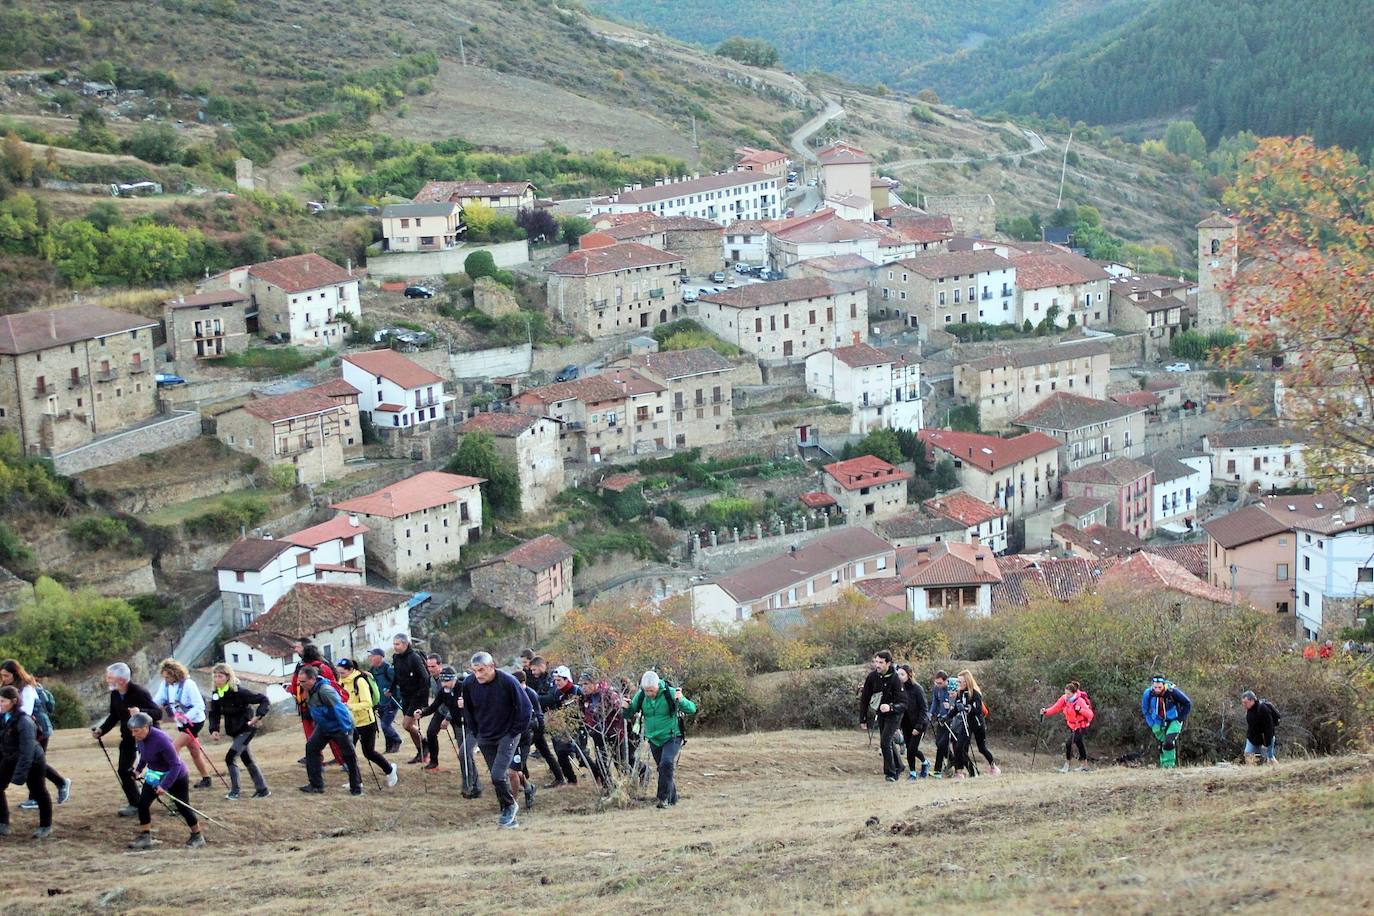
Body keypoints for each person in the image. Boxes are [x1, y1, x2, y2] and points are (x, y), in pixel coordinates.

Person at [460, 652, 532, 829]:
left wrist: (515, 731)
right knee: (496, 778)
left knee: (498, 775)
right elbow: (468, 710)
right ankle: (509, 815)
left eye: (482, 670)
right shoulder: (469, 683)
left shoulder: (508, 681)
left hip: (508, 734)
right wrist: (476, 732)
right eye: (475, 671)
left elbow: (526, 708)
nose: (478, 675)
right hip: (485, 735)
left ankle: (510, 806)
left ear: (492, 666)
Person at [93, 662, 162, 816]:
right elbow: (114, 715)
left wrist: (140, 711)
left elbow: (157, 713)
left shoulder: (139, 692)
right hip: (128, 736)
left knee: (160, 769)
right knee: (124, 770)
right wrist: (101, 730)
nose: (107, 680)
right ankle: (136, 803)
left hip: (148, 736)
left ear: (122, 680)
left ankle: (176, 800)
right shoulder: (115, 694)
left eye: (110, 678)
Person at [127, 711, 203, 849]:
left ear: (146, 727)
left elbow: (175, 765)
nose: (133, 734)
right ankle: (145, 837)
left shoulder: (161, 740)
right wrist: (137, 770)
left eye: (136, 731)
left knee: (182, 806)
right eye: (132, 731)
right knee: (143, 804)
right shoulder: (140, 739)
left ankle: (197, 836)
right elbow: (144, 756)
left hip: (175, 775)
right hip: (155, 775)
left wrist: (165, 786)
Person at [1, 659, 70, 807]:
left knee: (36, 762)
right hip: (19, 731)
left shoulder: (27, 688)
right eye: (2, 675)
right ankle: (40, 795)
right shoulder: (8, 687)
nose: (4, 679)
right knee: (33, 762)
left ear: (15, 674)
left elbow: (25, 711)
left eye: (6, 675)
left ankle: (59, 784)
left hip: (38, 730)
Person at [625, 671, 696, 808]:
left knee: (666, 763)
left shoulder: (670, 693)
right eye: (646, 691)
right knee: (663, 769)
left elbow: (692, 709)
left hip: (672, 736)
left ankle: (662, 798)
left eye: (651, 690)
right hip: (654, 739)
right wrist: (625, 707)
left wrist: (681, 700)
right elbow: (629, 713)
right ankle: (672, 800)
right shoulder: (641, 696)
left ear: (657, 685)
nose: (649, 694)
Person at [206, 662, 271, 800]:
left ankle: (235, 791)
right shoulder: (217, 694)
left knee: (230, 757)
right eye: (215, 676)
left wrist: (258, 716)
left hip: (247, 729)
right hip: (234, 730)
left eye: (220, 676)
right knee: (247, 759)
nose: (217, 679)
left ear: (228, 677)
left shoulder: (240, 692)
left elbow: (263, 700)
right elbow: (214, 713)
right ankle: (263, 790)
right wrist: (214, 729)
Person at [297, 665, 362, 796]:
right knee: (311, 748)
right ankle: (316, 785)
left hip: (339, 726)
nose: (300, 683)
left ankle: (356, 788)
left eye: (303, 681)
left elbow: (341, 710)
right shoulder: (309, 689)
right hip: (324, 726)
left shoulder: (326, 690)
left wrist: (345, 729)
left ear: (312, 679)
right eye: (299, 681)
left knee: (348, 756)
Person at [153, 659, 214, 789]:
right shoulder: (165, 685)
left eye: (168, 676)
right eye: (164, 677)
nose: (166, 679)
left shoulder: (189, 684)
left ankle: (174, 780)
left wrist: (186, 717)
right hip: (181, 723)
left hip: (195, 722)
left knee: (172, 749)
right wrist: (146, 706)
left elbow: (200, 705)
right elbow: (158, 699)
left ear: (175, 673)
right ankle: (206, 779)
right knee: (194, 751)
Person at [0, 685, 51, 839]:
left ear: (14, 701)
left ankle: (45, 826)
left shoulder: (24, 721)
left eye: (3, 701)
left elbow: (27, 751)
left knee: (38, 790)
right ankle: (3, 823)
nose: (0, 704)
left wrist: (19, 776)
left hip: (33, 761)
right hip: (11, 758)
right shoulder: (3, 717)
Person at [338, 659, 398, 789]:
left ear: (350, 670)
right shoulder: (342, 681)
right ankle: (356, 781)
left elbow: (368, 703)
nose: (340, 675)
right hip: (350, 723)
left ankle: (390, 770)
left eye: (342, 672)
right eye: (339, 672)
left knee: (368, 752)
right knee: (349, 753)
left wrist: (349, 707)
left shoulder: (360, 681)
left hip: (366, 722)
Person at [288, 644, 345, 767]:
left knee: (312, 739)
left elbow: (293, 688)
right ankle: (344, 762)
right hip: (325, 707)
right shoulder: (324, 667)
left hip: (306, 709)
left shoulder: (300, 670)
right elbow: (334, 685)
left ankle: (317, 765)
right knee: (333, 738)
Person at [858, 650, 905, 782]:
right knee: (888, 741)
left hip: (895, 714)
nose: (877, 665)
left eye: (880, 662)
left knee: (884, 742)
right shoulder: (872, 677)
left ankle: (890, 773)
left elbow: (903, 703)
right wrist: (863, 718)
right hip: (881, 714)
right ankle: (899, 766)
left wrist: (891, 707)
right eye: (875, 662)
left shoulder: (896, 679)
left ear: (888, 663)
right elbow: (865, 698)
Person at [414, 665, 464, 778]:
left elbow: (459, 707)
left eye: (447, 681)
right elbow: (434, 705)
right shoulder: (443, 690)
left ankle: (466, 769)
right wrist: (422, 712)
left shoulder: (462, 688)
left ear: (454, 679)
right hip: (445, 713)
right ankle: (433, 761)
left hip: (461, 720)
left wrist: (447, 719)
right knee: (431, 732)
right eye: (442, 681)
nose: (444, 684)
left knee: (463, 748)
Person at [578, 673, 625, 786]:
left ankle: (640, 774)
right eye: (581, 684)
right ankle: (608, 787)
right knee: (601, 761)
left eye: (586, 683)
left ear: (595, 683)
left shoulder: (608, 694)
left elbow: (618, 714)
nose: (583, 687)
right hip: (598, 734)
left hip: (614, 732)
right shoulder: (586, 697)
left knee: (620, 762)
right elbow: (587, 715)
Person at [391, 634, 430, 764]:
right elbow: (397, 675)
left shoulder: (414, 658)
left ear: (405, 644)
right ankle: (421, 751)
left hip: (416, 696)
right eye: (394, 644)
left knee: (406, 724)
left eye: (397, 644)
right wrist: (392, 689)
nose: (395, 647)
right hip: (405, 696)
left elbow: (425, 678)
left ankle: (425, 744)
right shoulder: (396, 658)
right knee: (409, 727)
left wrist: (423, 699)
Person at [1041, 680, 1094, 773]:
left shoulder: (1080, 701)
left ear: (1074, 693)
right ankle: (1085, 766)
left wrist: (1080, 710)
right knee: (1079, 744)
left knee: (1068, 743)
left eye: (1068, 694)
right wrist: (1046, 712)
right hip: (1073, 726)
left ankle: (1067, 765)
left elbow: (1090, 715)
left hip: (1082, 726)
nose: (1066, 695)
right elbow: (1055, 708)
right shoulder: (1064, 699)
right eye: (1065, 693)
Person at [953, 669, 1000, 776]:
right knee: (959, 747)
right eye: (958, 682)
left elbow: (977, 710)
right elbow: (956, 708)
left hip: (978, 724)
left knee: (981, 748)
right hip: (966, 724)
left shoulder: (975, 694)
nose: (958, 684)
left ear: (966, 682)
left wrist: (965, 708)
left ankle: (993, 767)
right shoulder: (959, 693)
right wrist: (947, 717)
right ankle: (959, 773)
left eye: (960, 682)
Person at [542, 666, 583, 786]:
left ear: (567, 679)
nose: (556, 683)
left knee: (582, 755)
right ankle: (571, 780)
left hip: (580, 727)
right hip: (564, 728)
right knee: (561, 753)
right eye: (555, 680)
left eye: (559, 680)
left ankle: (598, 775)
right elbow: (556, 708)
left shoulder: (577, 691)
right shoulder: (557, 693)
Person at [1141, 675, 1192, 769]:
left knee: (1169, 742)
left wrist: (1180, 719)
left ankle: (1170, 766)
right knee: (1162, 744)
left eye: (1159, 687)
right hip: (1157, 721)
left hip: (1174, 719)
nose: (1157, 690)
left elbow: (1187, 703)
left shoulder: (1172, 692)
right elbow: (1145, 710)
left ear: (1164, 685)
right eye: (1155, 687)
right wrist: (1152, 724)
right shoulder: (1148, 693)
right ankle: (1164, 766)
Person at [526, 657, 562, 785]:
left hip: (555, 717)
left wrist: (535, 698)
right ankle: (559, 776)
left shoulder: (552, 678)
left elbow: (552, 698)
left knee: (558, 748)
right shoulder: (540, 680)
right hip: (543, 717)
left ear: (541, 666)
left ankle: (561, 776)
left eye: (534, 669)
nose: (533, 672)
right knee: (545, 749)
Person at [512, 669, 542, 810]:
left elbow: (537, 718)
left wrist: (525, 726)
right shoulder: (511, 694)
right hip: (512, 737)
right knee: (515, 770)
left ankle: (517, 798)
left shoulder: (531, 694)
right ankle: (528, 787)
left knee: (517, 769)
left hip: (525, 737)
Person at [895, 664, 929, 780]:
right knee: (910, 748)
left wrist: (918, 726)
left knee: (911, 750)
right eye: (898, 674)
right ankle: (923, 764)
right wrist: (897, 725)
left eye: (902, 674)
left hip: (919, 723)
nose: (899, 677)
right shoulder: (899, 689)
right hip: (906, 724)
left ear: (909, 675)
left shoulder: (917, 688)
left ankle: (913, 773)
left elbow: (924, 709)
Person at [368, 648, 402, 754]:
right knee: (384, 725)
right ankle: (389, 747)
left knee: (385, 725)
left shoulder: (388, 669)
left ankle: (397, 741)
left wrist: (395, 700)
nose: (371, 658)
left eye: (373, 655)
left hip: (391, 702)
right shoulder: (372, 670)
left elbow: (398, 685)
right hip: (380, 703)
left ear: (380, 657)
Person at [1241, 690, 1280, 765]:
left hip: (1267, 738)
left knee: (1270, 759)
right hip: (1253, 738)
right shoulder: (1250, 710)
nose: (1244, 705)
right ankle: (1251, 773)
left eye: (1245, 702)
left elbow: (1269, 728)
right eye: (1243, 703)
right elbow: (1251, 727)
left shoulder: (1263, 709)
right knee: (1248, 755)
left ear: (1252, 700)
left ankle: (1277, 771)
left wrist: (1267, 743)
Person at [927, 671, 954, 778]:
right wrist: (930, 713)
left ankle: (937, 770)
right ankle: (952, 760)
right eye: (936, 683)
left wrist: (949, 711)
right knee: (939, 743)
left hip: (950, 720)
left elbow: (954, 704)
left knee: (942, 744)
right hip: (940, 719)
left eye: (940, 683)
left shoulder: (951, 688)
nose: (938, 685)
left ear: (946, 681)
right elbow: (935, 702)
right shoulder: (937, 689)